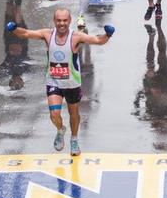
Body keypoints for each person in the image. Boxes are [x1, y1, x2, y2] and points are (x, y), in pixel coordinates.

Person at [6, 8, 115, 156]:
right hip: (54, 83)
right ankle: (60, 129)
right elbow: (26, 33)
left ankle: (74, 139)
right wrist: (14, 29)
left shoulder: (76, 36)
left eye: (65, 20)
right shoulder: (47, 34)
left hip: (72, 84)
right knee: (54, 114)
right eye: (59, 20)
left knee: (74, 114)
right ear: (54, 21)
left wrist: (108, 34)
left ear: (69, 21)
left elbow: (98, 40)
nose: (62, 23)